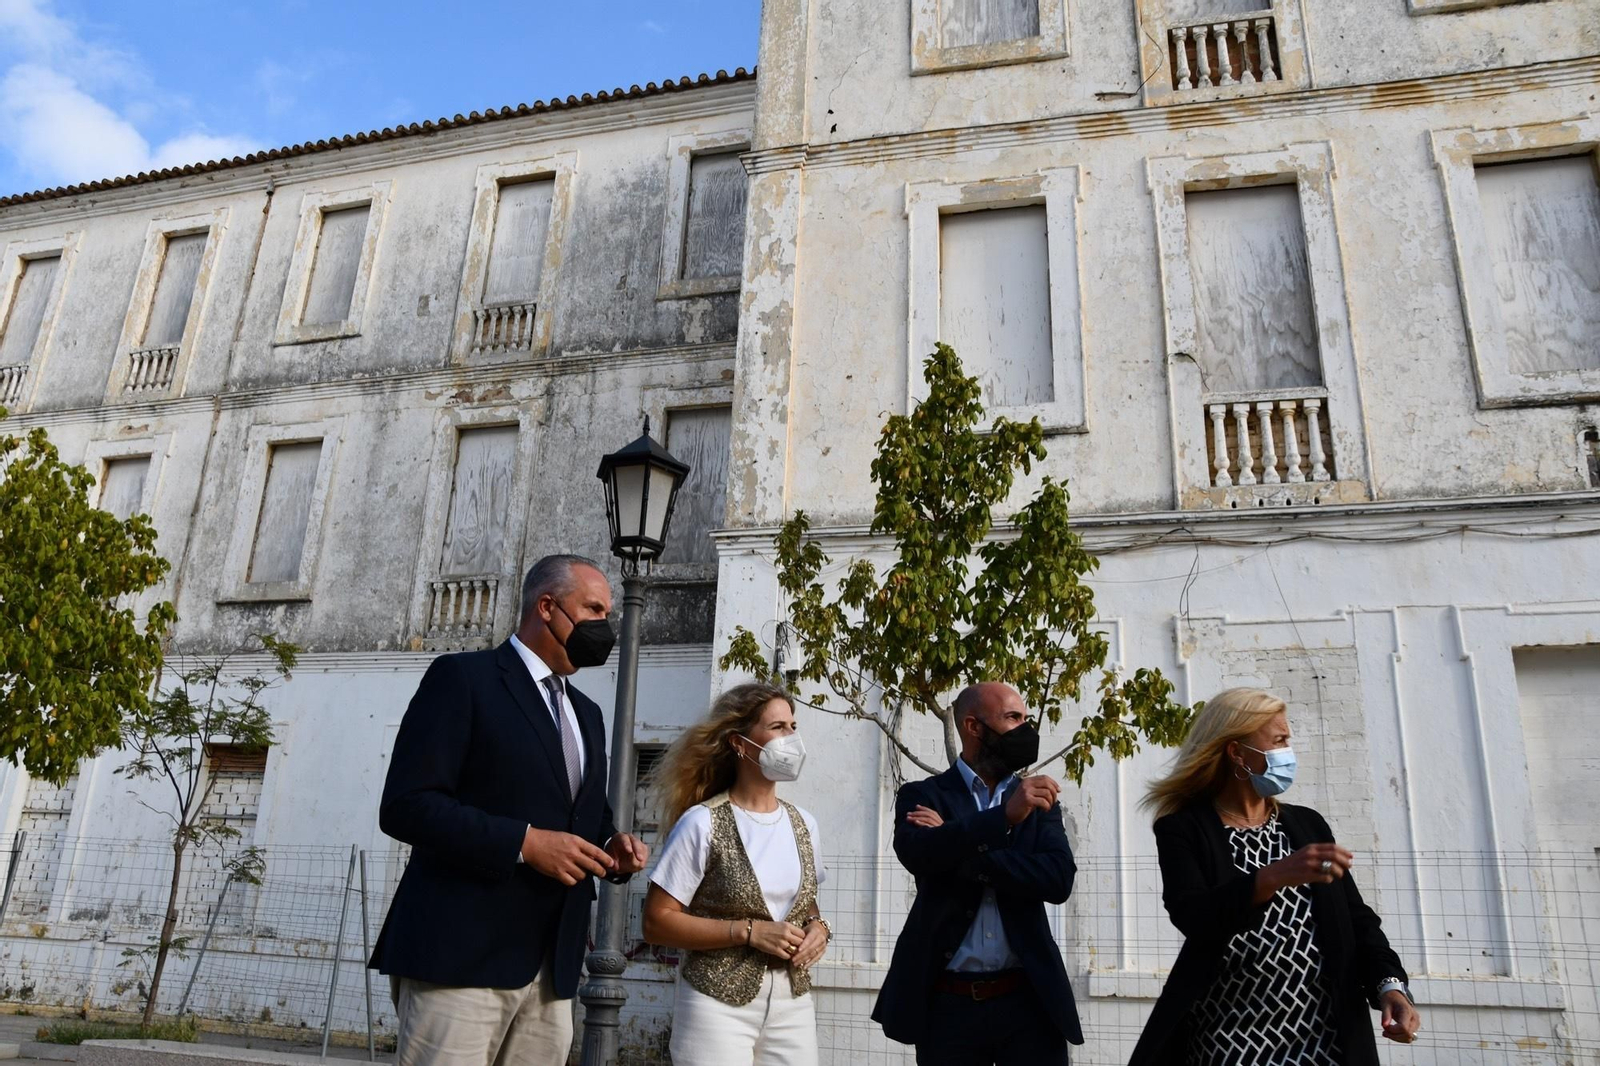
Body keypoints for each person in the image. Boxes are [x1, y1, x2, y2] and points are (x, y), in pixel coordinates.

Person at [370, 554, 650, 1066]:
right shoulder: (462, 678)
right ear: (547, 606)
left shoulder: (586, 715)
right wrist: (524, 843)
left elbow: (586, 817)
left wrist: (613, 848)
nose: (604, 626)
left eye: (607, 613)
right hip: (460, 958)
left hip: (553, 970)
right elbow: (406, 806)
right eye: (592, 609)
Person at [1130, 687, 1423, 1065]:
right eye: (1279, 740)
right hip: (1231, 1039)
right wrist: (1269, 878)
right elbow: (1193, 915)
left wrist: (1390, 987)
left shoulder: (1307, 825)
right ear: (1237, 753)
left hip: (1326, 1038)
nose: (1288, 752)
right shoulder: (1183, 829)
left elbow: (1357, 921)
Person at [872, 682, 1082, 1066]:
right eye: (1013, 718)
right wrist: (1002, 820)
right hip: (949, 1007)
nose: (1025, 729)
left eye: (1026, 718)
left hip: (1028, 1004)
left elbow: (1057, 879)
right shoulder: (923, 795)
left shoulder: (1038, 801)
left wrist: (967, 854)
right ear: (974, 727)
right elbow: (920, 854)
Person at [642, 682, 830, 1066]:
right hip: (716, 1002)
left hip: (792, 1001)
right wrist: (749, 931)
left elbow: (803, 899)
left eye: (793, 726)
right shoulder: (702, 823)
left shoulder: (804, 824)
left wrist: (818, 928)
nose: (791, 737)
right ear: (740, 743)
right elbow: (656, 923)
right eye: (777, 728)